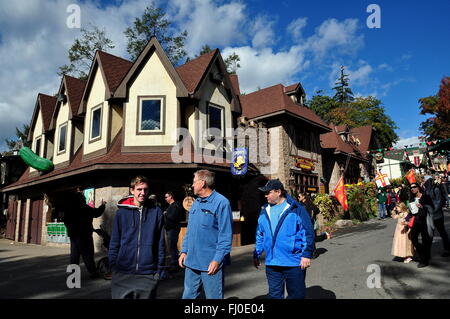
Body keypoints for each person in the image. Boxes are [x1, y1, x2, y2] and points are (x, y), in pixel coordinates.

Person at [254, 179, 315, 299]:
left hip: (294, 262)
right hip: (272, 263)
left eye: (268, 192)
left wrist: (307, 254)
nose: (265, 195)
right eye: (265, 193)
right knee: (274, 296)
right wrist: (257, 252)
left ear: (278, 192)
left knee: (296, 295)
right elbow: (260, 234)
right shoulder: (264, 211)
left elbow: (307, 232)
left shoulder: (296, 209)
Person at [179, 170, 233, 299]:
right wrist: (184, 251)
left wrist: (217, 260)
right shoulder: (196, 202)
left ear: (202, 183)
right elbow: (190, 230)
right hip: (191, 262)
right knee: (187, 297)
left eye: (194, 182)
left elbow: (225, 235)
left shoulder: (222, 202)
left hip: (210, 264)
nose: (192, 186)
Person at [109, 176, 165, 299]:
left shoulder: (156, 212)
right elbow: (114, 242)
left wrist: (159, 270)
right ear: (132, 190)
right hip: (122, 273)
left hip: (148, 274)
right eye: (139, 189)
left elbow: (160, 243)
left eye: (145, 189)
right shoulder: (121, 214)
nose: (143, 193)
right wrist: (113, 267)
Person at [63, 188, 106, 279]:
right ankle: (93, 273)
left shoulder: (69, 209)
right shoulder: (85, 208)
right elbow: (97, 213)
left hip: (74, 236)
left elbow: (65, 220)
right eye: (84, 198)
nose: (85, 199)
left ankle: (73, 276)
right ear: (82, 199)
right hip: (85, 236)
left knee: (74, 256)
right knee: (88, 255)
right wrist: (102, 206)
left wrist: (71, 230)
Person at [297, 193, 331, 259]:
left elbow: (317, 210)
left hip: (310, 223)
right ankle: (324, 237)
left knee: (311, 238)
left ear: (304, 197)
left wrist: (313, 215)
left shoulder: (310, 204)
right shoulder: (300, 205)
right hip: (303, 223)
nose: (298, 198)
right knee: (308, 238)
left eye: (299, 196)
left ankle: (313, 252)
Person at [408, 182, 434, 268]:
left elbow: (432, 207)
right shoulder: (411, 199)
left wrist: (423, 206)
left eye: (414, 187)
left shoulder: (425, 196)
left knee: (425, 240)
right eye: (411, 188)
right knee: (413, 238)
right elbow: (411, 212)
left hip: (425, 220)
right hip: (416, 221)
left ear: (418, 188)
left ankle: (424, 260)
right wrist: (406, 218)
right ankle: (423, 253)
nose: (413, 189)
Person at [424, 175, 450, 257]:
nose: (425, 183)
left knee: (442, 232)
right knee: (429, 234)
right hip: (430, 216)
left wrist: (432, 211)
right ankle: (426, 253)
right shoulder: (426, 190)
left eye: (426, 181)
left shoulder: (436, 189)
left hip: (437, 216)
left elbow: (438, 202)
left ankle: (447, 249)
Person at [164, 191, 185, 270]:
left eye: (166, 197)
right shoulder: (171, 206)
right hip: (170, 229)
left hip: (173, 229)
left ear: (171, 197)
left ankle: (174, 264)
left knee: (173, 246)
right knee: (171, 246)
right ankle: (174, 262)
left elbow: (172, 217)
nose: (165, 199)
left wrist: (166, 213)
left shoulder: (175, 205)